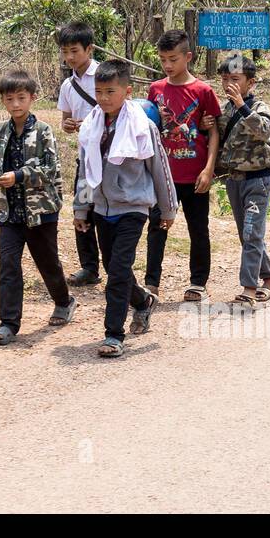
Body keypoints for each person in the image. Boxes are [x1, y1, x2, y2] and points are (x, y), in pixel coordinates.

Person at [74, 59, 178, 359]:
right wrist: (81, 208)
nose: (104, 98)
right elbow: (85, 171)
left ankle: (113, 334)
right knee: (113, 267)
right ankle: (143, 302)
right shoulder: (91, 127)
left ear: (127, 91)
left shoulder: (143, 128)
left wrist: (168, 209)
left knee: (118, 269)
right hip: (102, 209)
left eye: (110, 91)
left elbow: (160, 169)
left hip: (134, 208)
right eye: (99, 91)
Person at [0, 70, 77, 346]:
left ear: (32, 98)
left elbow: (49, 169)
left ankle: (64, 301)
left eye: (21, 98)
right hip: (10, 212)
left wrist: (19, 176)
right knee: (8, 265)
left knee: (47, 262)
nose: (15, 104)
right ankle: (8, 323)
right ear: (2, 100)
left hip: (40, 211)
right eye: (9, 99)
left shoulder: (44, 131)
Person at [145, 29, 220, 303]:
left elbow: (213, 131)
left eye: (173, 59)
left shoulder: (203, 91)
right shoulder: (155, 90)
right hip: (163, 175)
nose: (167, 65)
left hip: (195, 173)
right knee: (157, 227)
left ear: (187, 57)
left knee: (198, 228)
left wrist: (209, 169)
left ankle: (198, 282)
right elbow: (150, 128)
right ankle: (151, 284)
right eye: (163, 59)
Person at [215, 55, 270, 309]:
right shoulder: (224, 110)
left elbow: (264, 131)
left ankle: (248, 288)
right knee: (247, 234)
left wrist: (242, 106)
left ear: (250, 83)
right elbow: (217, 139)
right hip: (234, 180)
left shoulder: (258, 106)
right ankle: (269, 279)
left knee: (252, 233)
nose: (228, 83)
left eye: (235, 79)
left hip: (258, 180)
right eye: (225, 79)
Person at [54, 21, 102, 287]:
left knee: (108, 213)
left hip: (110, 161)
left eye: (74, 51)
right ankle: (89, 267)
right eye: (65, 52)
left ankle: (116, 266)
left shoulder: (105, 76)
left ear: (89, 49)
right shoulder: (67, 86)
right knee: (82, 210)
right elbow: (65, 122)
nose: (70, 57)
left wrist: (93, 124)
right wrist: (70, 125)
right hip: (85, 162)